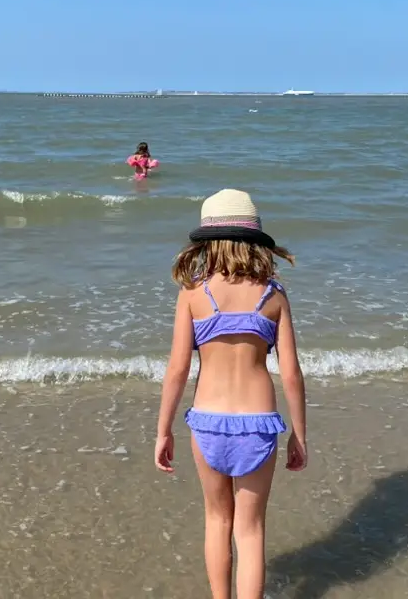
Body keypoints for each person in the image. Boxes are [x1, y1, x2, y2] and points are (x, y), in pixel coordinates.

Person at [155, 188, 307, 599]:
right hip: (258, 425)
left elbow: (177, 369)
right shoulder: (272, 295)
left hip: (207, 421)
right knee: (251, 529)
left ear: (207, 243)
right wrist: (299, 434)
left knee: (217, 521)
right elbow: (291, 372)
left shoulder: (193, 294)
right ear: (256, 242)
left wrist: (163, 430)